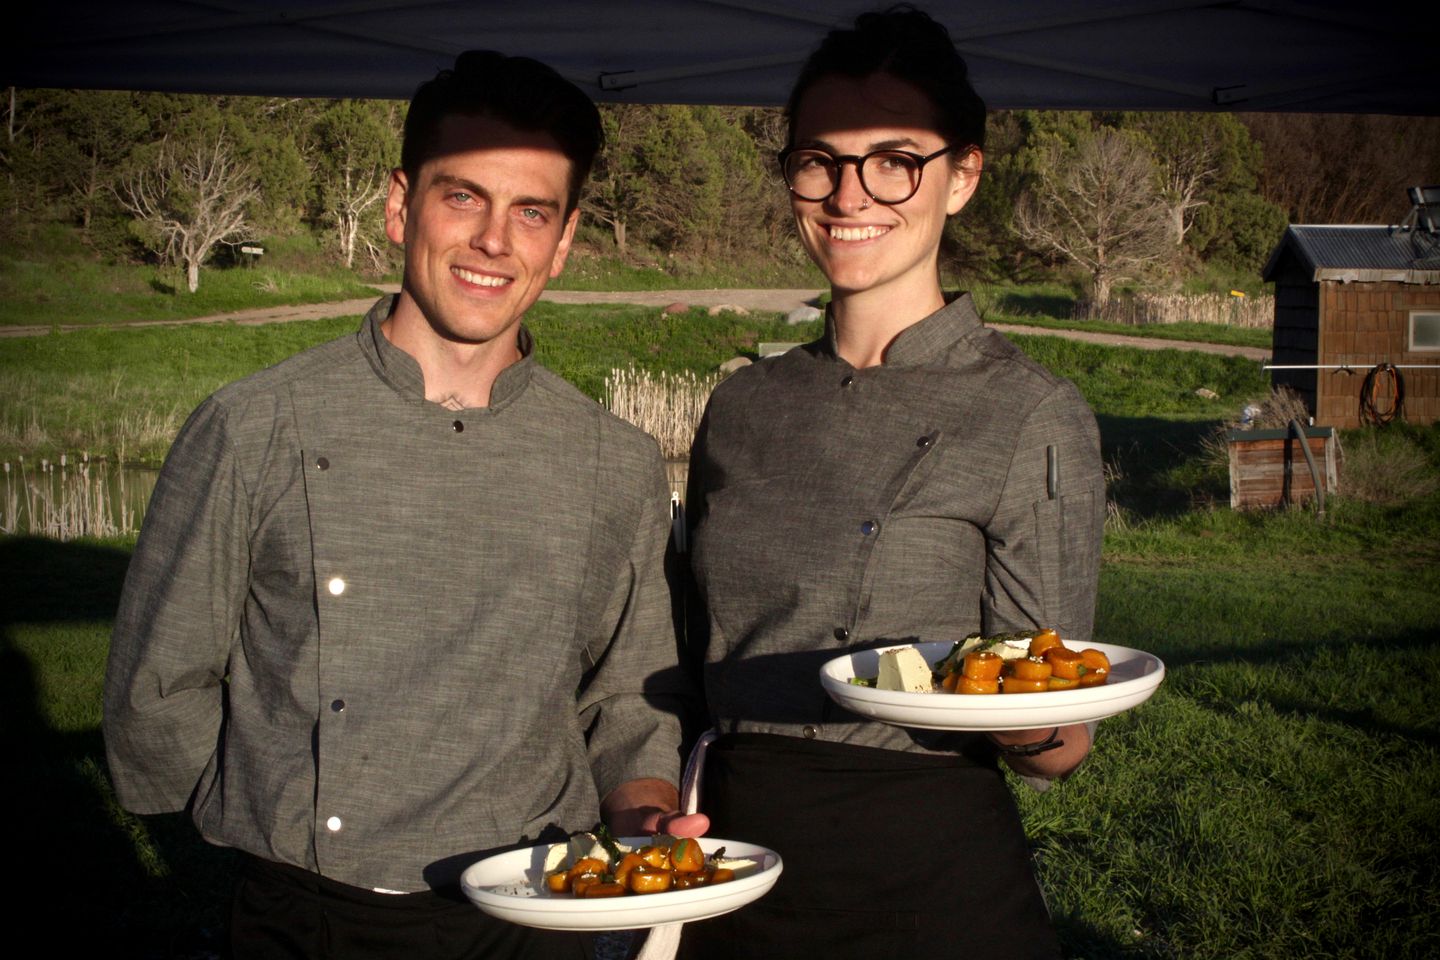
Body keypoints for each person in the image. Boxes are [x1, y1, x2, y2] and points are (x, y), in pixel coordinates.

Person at [104, 50, 704, 959]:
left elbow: (630, 701)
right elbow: (158, 690)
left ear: (565, 239)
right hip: (305, 916)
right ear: (399, 205)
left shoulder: (613, 463)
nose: (494, 240)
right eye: (463, 197)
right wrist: (264, 830)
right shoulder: (255, 425)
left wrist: (648, 816)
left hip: (530, 915)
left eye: (530, 212)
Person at [679, 8, 1104, 959]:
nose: (850, 193)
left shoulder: (1028, 412)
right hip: (730, 866)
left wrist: (1024, 723)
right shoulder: (743, 403)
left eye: (896, 160)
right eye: (820, 160)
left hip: (926, 876)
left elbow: (1062, 740)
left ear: (962, 177)